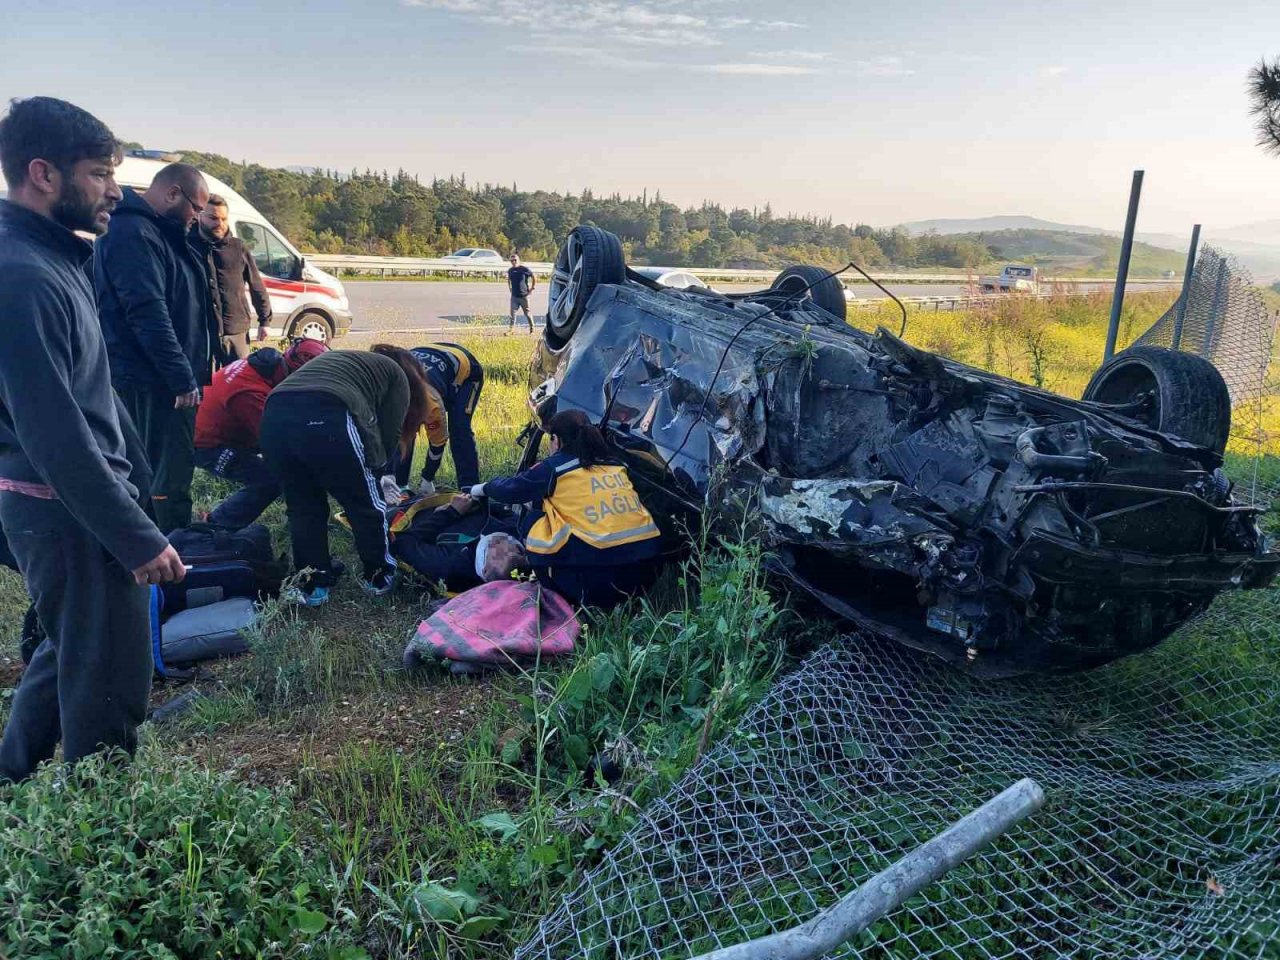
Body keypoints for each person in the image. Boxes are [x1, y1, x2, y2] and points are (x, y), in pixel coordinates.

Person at [0, 97, 186, 783]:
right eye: (101, 174)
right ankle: (102, 819)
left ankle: (10, 776)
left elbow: (94, 395)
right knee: (108, 679)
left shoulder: (55, 259)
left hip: (83, 502)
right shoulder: (22, 277)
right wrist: (133, 537)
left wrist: (142, 488)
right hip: (65, 509)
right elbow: (54, 432)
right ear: (43, 174)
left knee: (73, 648)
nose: (116, 191)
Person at [95, 161, 218, 533]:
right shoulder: (134, 233)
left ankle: (170, 536)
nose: (196, 218)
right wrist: (180, 377)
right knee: (163, 471)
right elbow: (148, 313)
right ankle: (166, 543)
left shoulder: (160, 231)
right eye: (196, 208)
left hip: (166, 375)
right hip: (154, 380)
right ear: (172, 193)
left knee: (171, 467)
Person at [260, 345, 436, 605]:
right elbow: (389, 434)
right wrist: (375, 475)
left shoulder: (348, 363)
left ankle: (313, 585)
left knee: (303, 506)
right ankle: (380, 577)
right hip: (327, 411)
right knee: (365, 505)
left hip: (273, 416)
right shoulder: (397, 375)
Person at [471, 410, 662, 607]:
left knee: (534, 516)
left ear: (556, 440)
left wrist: (481, 489)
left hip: (597, 582)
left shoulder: (555, 467)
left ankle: (551, 586)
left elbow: (511, 490)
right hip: (646, 575)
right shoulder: (614, 464)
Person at [193, 339, 329, 528]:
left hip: (230, 429)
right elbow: (277, 442)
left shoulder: (265, 367)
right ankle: (215, 526)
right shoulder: (249, 393)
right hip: (208, 444)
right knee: (269, 479)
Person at [189, 194, 273, 363]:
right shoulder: (187, 246)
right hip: (201, 334)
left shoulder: (238, 248)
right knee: (206, 381)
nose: (219, 224)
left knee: (239, 378)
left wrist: (265, 320)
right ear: (200, 216)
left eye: (224, 219)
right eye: (213, 218)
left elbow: (256, 285)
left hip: (236, 331)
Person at [390, 343, 484, 493]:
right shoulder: (389, 397)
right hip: (428, 353)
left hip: (466, 369)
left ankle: (470, 489)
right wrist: (389, 476)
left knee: (459, 429)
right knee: (402, 431)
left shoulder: (432, 406)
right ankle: (401, 485)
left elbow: (438, 443)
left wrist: (427, 477)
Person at [392, 493, 524, 592]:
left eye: (500, 554)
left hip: (401, 516)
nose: (509, 547)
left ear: (485, 571)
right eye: (517, 549)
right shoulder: (516, 530)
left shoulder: (448, 565)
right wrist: (473, 502)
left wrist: (449, 513)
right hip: (430, 498)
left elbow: (402, 542)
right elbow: (499, 508)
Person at [507, 253, 536, 333]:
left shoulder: (524, 269)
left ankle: (532, 329)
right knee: (512, 314)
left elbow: (533, 276)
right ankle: (511, 330)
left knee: (527, 313)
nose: (513, 262)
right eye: (512, 260)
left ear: (518, 260)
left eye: (515, 260)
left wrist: (532, 288)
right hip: (514, 296)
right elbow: (509, 280)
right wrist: (510, 288)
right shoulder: (510, 270)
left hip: (524, 296)